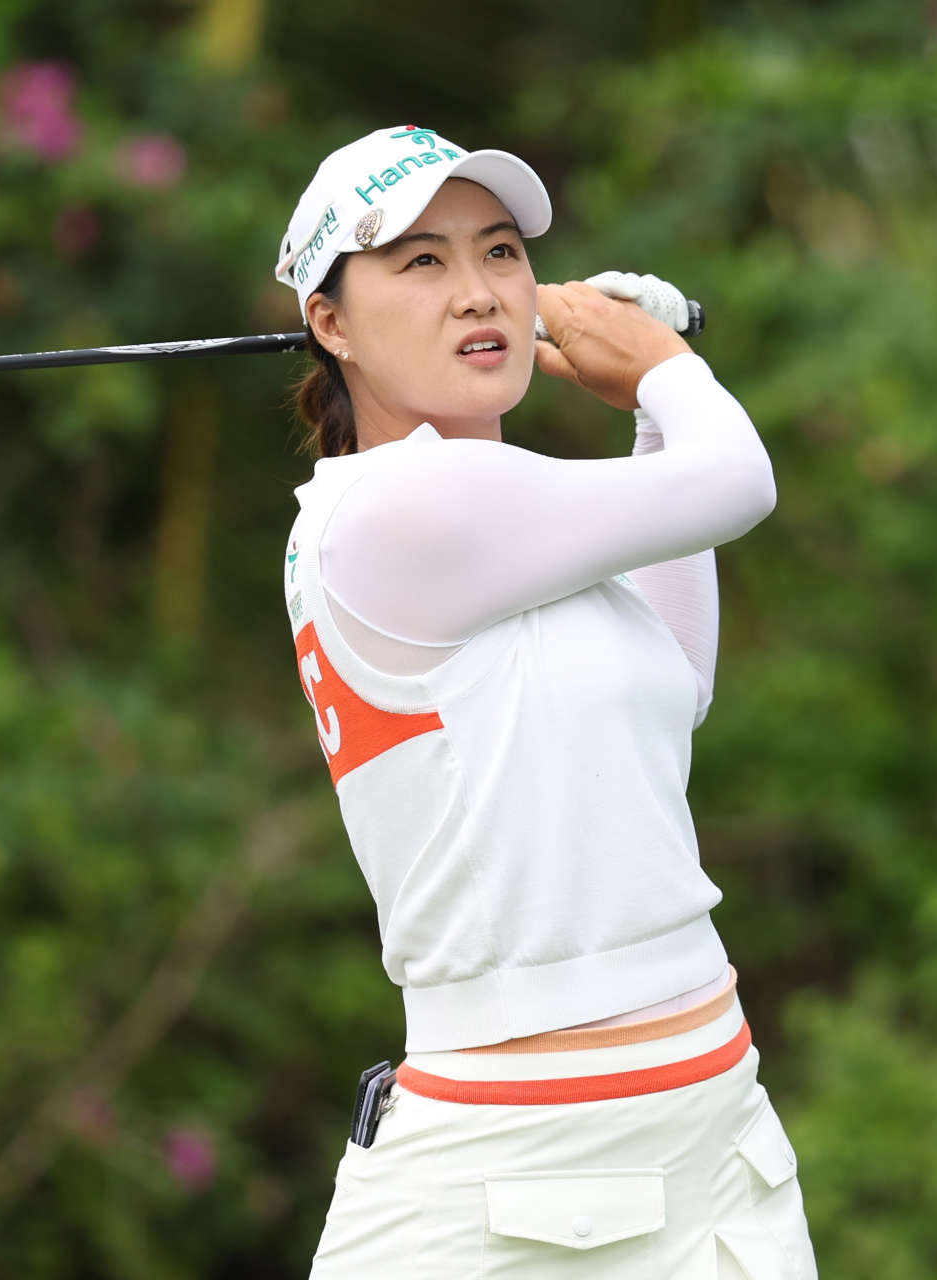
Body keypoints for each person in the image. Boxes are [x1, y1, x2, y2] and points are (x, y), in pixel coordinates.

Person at [275, 125, 819, 1278]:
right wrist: (662, 362)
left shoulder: (515, 523)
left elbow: (675, 684)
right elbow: (738, 482)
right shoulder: (395, 511)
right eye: (419, 262)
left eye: (502, 253)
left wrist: (650, 404)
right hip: (517, 1175)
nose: (476, 290)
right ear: (330, 321)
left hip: (715, 1138)